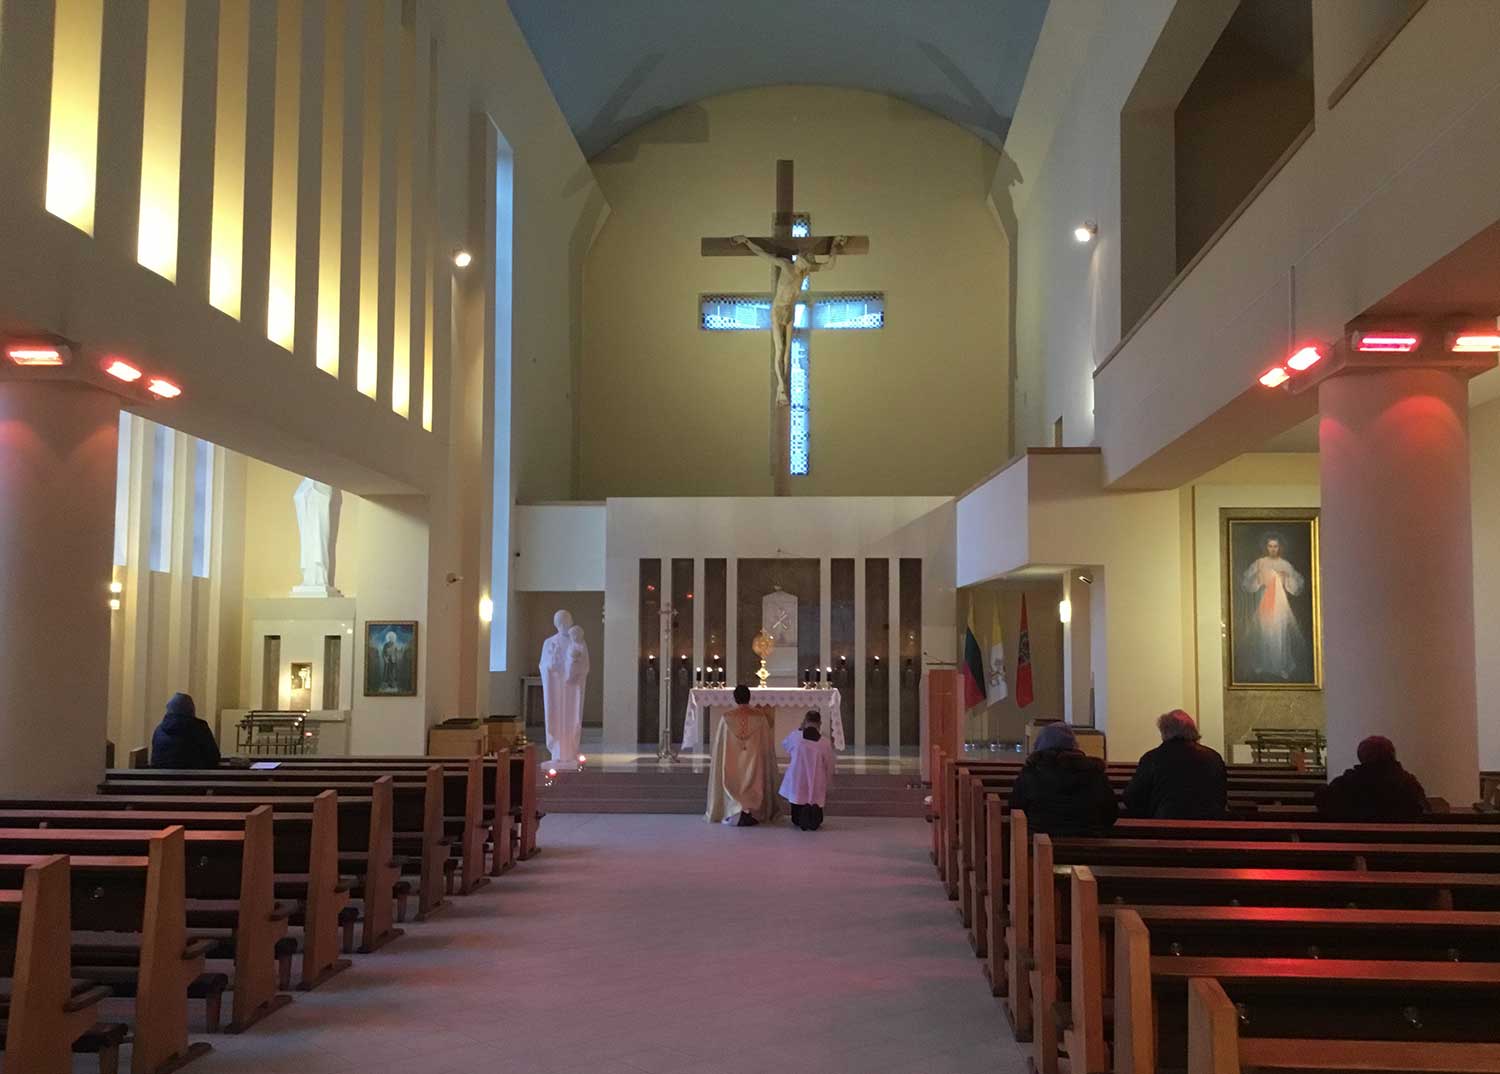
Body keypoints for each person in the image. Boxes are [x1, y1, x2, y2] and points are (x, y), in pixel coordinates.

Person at [1009, 723, 1117, 836]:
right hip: (1090, 841)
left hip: (1039, 840)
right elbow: (1110, 813)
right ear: (1074, 745)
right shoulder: (1094, 772)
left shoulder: (1031, 772)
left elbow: (1016, 807)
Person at [1122, 710, 1228, 820]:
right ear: (1192, 730)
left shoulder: (1152, 758)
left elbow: (1132, 797)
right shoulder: (1213, 757)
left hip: (1164, 824)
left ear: (1164, 731)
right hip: (1208, 824)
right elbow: (1221, 797)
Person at [705, 685, 779, 826]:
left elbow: (720, 745)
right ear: (749, 698)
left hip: (732, 759)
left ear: (735, 698)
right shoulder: (760, 718)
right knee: (754, 777)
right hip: (754, 758)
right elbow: (766, 744)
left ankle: (734, 809)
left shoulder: (727, 718)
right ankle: (751, 810)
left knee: (732, 777)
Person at [1315, 735, 1429, 822]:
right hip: (1402, 842)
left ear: (1362, 757)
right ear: (1392, 755)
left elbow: (1325, 801)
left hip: (1355, 840)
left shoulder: (1348, 782)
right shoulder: (1407, 783)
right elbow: (1424, 809)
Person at [1240, 534, 1307, 680]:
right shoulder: (1260, 563)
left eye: (1275, 546)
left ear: (1279, 547)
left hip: (1280, 603)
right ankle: (1262, 663)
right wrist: (1259, 578)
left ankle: (1281, 666)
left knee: (1279, 633)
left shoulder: (1285, 564)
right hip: (1264, 600)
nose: (1272, 549)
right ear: (1266, 547)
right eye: (1270, 546)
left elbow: (1296, 585)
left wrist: (1286, 577)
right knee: (1264, 633)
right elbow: (1247, 582)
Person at [780, 712, 836, 831]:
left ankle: (801, 818)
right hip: (817, 780)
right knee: (815, 807)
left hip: (798, 779)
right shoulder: (824, 742)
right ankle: (813, 817)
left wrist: (800, 729)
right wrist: (828, 781)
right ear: (819, 724)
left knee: (796, 815)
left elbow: (785, 745)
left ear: (805, 721)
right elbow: (829, 764)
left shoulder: (795, 737)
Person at [149, 693, 221, 769]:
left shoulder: (159, 730)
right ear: (191, 709)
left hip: (160, 775)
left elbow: (155, 760)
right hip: (196, 775)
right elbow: (214, 757)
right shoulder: (200, 728)